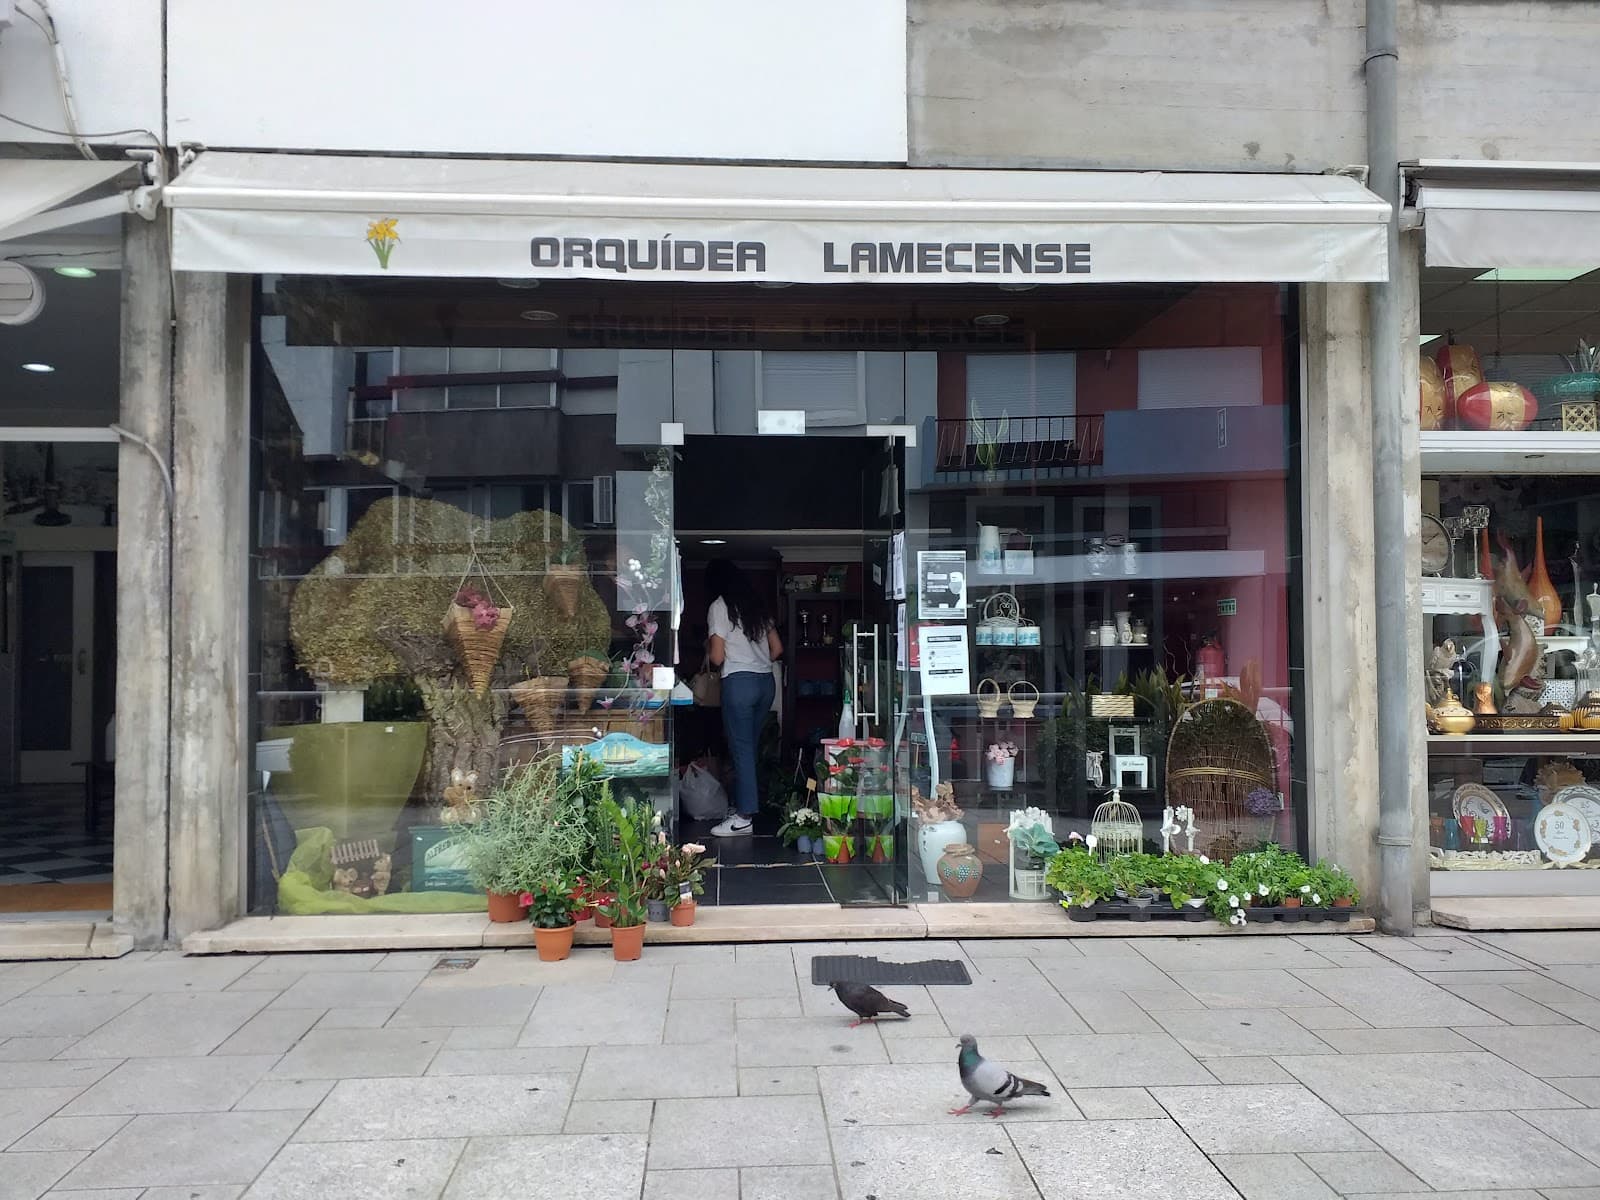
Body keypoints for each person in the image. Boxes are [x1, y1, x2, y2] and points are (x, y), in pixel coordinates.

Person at [703, 559, 782, 837]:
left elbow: (717, 656)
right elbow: (777, 649)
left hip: (739, 682)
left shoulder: (719, 606)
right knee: (750, 747)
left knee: (742, 749)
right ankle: (742, 805)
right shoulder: (757, 607)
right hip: (765, 682)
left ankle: (744, 817)